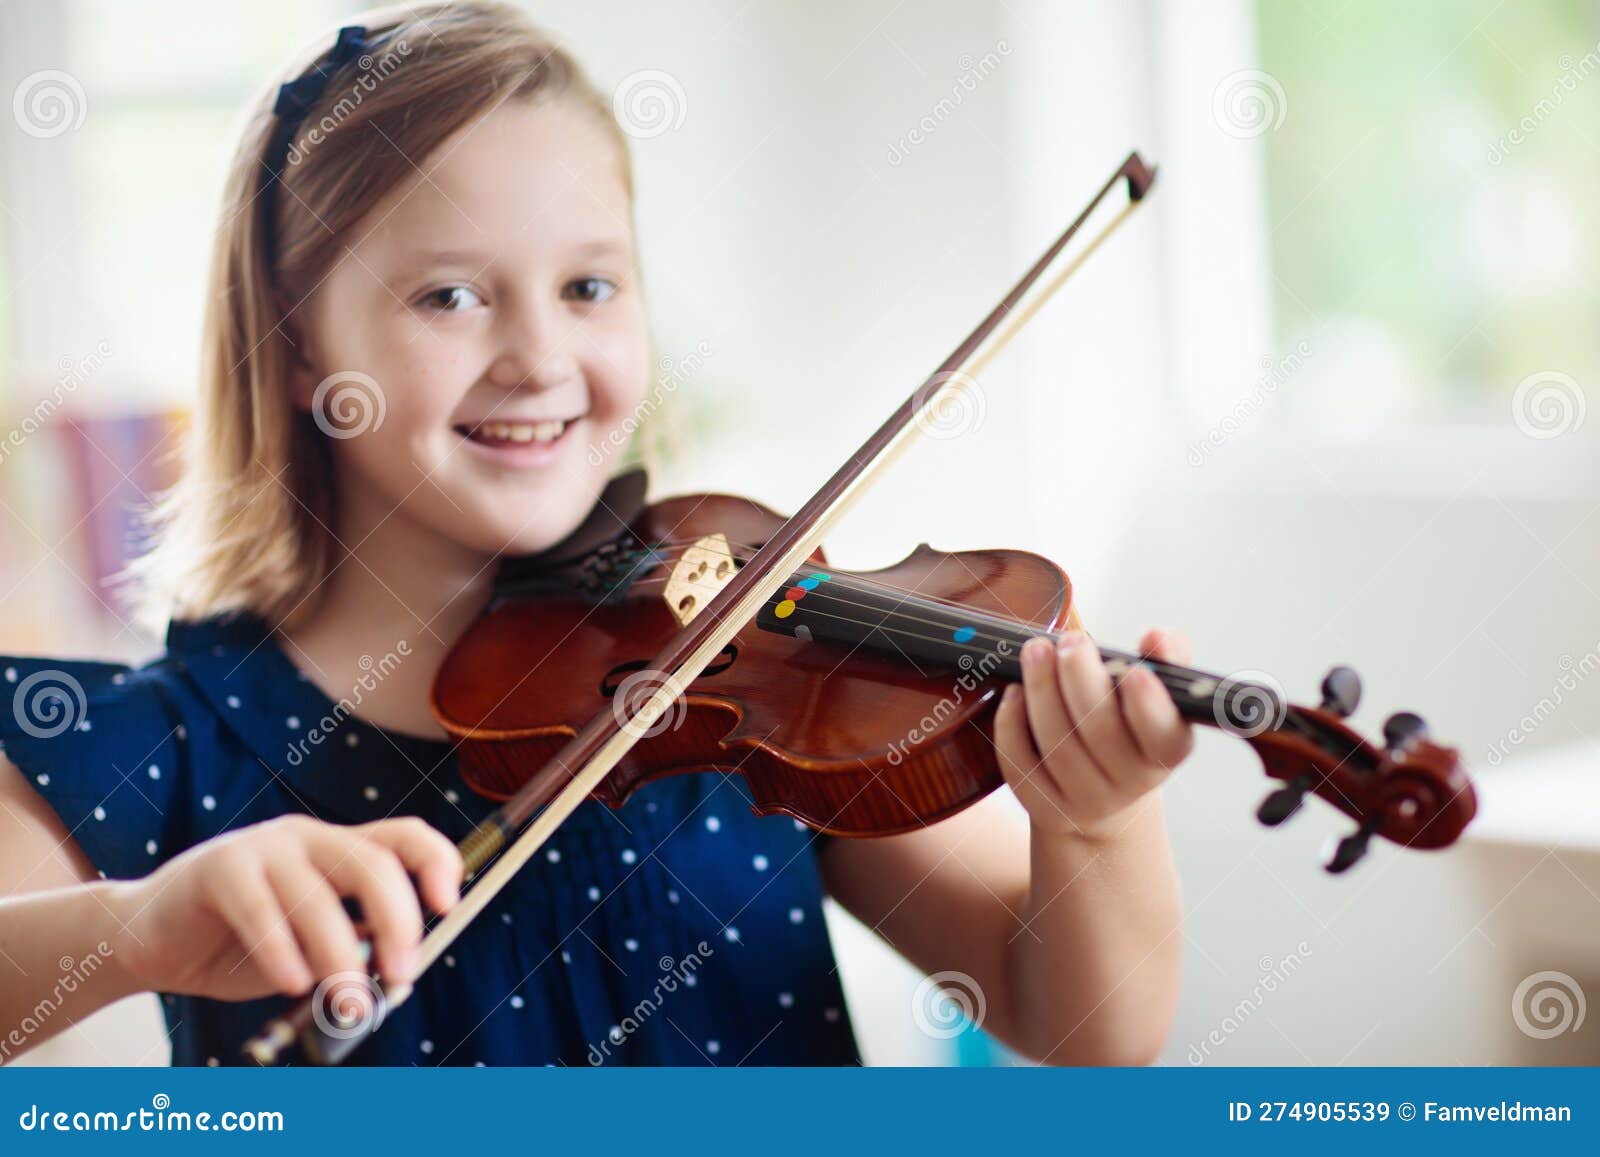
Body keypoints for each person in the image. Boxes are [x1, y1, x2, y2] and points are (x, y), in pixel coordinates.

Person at [0, 1, 1193, 1067]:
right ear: (301, 345)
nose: (538, 360)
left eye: (588, 287)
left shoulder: (746, 684)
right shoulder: (170, 734)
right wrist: (136, 928)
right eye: (450, 295)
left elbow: (1082, 1025)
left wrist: (1094, 819)